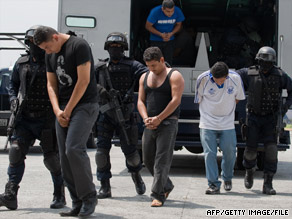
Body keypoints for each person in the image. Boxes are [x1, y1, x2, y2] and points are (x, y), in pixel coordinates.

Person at [33, 26, 99, 217]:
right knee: (64, 155)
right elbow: (51, 85)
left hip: (85, 105)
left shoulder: (79, 45)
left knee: (74, 149)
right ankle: (77, 201)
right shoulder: (49, 55)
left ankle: (89, 197)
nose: (47, 51)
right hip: (62, 109)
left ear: (55, 37)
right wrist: (57, 110)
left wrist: (67, 110)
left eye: (47, 47)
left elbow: (83, 81)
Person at [0, 25, 66, 211]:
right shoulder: (21, 63)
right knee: (15, 152)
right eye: (32, 42)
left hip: (46, 118)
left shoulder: (54, 61)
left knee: (52, 158)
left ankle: (59, 193)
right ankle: (10, 194)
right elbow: (13, 85)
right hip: (24, 118)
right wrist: (13, 99)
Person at [95, 32, 148, 199]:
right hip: (105, 115)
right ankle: (105, 185)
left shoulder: (132, 65)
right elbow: (86, 83)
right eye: (112, 47)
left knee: (131, 154)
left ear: (123, 49)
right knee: (101, 153)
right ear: (107, 48)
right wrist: (100, 90)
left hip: (125, 115)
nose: (115, 50)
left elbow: (147, 75)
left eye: (118, 47)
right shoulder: (100, 67)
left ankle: (136, 176)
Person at [236, 46, 292, 195]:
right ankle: (249, 171)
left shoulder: (280, 75)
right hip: (253, 117)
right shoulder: (249, 73)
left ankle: (268, 183)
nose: (265, 66)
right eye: (263, 62)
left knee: (272, 151)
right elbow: (232, 77)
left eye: (268, 63)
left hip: (271, 118)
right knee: (250, 150)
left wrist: (285, 107)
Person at [137, 46, 184, 207]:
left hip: (168, 122)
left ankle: (158, 194)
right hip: (150, 123)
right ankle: (167, 185)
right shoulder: (144, 76)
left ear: (162, 60)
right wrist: (146, 118)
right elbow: (140, 100)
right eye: (148, 66)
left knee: (161, 160)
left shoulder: (174, 75)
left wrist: (159, 118)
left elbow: (175, 100)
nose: (151, 69)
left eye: (154, 65)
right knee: (147, 159)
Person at [195, 62, 245, 194]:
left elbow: (238, 98)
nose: (218, 83)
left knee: (230, 152)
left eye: (221, 80)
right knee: (209, 153)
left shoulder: (235, 78)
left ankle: (227, 178)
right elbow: (199, 99)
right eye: (215, 80)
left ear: (227, 76)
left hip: (227, 123)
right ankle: (213, 184)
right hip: (207, 122)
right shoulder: (203, 78)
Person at [145, 0, 185, 65]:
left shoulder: (177, 11)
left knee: (168, 61)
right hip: (155, 40)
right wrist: (160, 34)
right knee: (155, 61)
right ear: (162, 9)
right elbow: (148, 26)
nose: (170, 13)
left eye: (172, 11)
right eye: (168, 11)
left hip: (170, 40)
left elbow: (179, 25)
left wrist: (172, 33)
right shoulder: (155, 12)